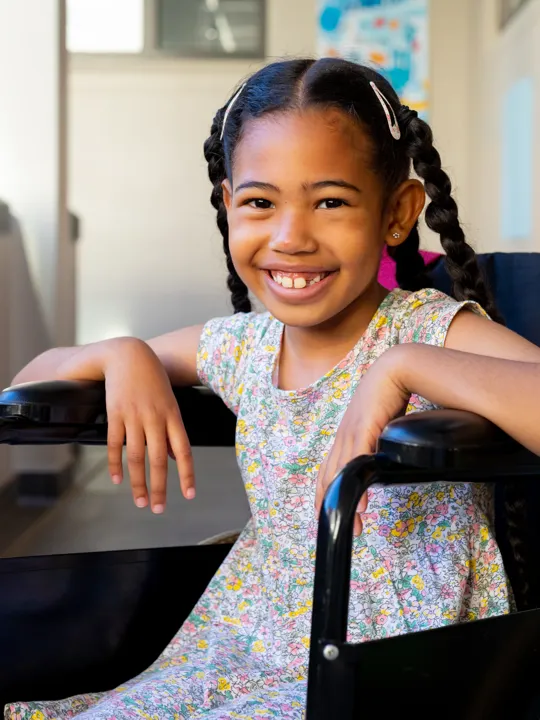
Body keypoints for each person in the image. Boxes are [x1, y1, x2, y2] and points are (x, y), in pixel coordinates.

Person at [6, 57, 540, 720]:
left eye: (331, 202)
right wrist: (122, 353)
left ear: (397, 213)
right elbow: (26, 387)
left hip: (396, 663)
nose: (291, 237)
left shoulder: (426, 328)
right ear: (229, 206)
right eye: (260, 202)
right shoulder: (246, 346)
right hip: (242, 642)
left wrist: (406, 367)